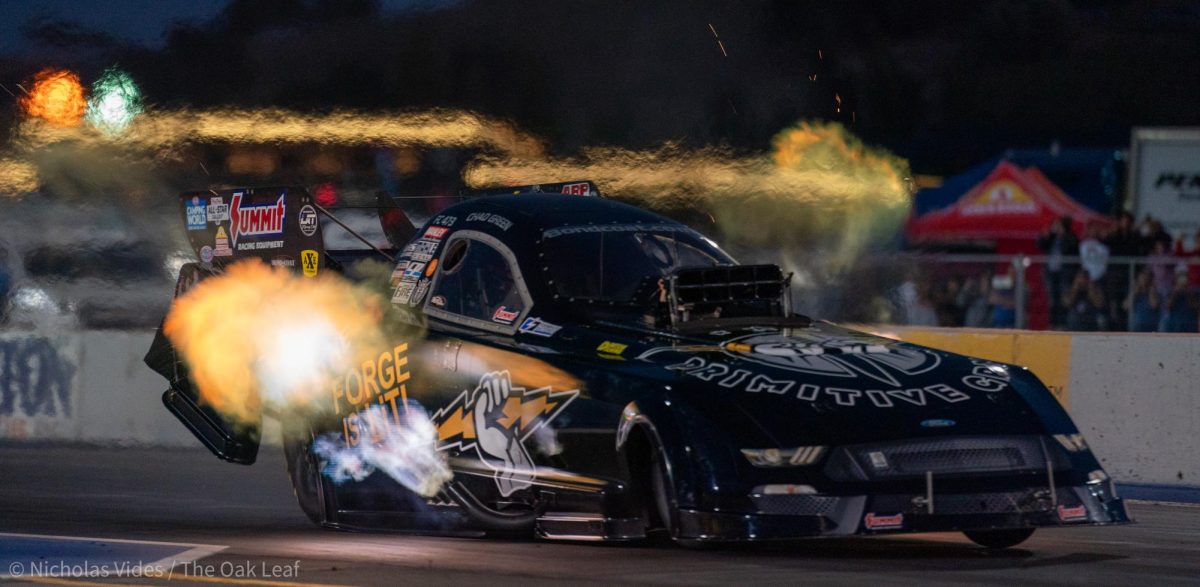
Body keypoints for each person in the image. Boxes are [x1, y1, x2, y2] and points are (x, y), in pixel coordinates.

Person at [1037, 216, 1078, 327]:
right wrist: (1046, 236)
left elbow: (1070, 248)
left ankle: (1063, 324)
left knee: (1064, 298)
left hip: (1064, 273)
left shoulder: (1070, 237)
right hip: (1052, 273)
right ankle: (1053, 323)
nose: (1055, 227)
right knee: (1052, 299)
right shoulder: (1052, 238)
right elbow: (1040, 245)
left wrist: (1063, 234)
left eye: (1057, 225)